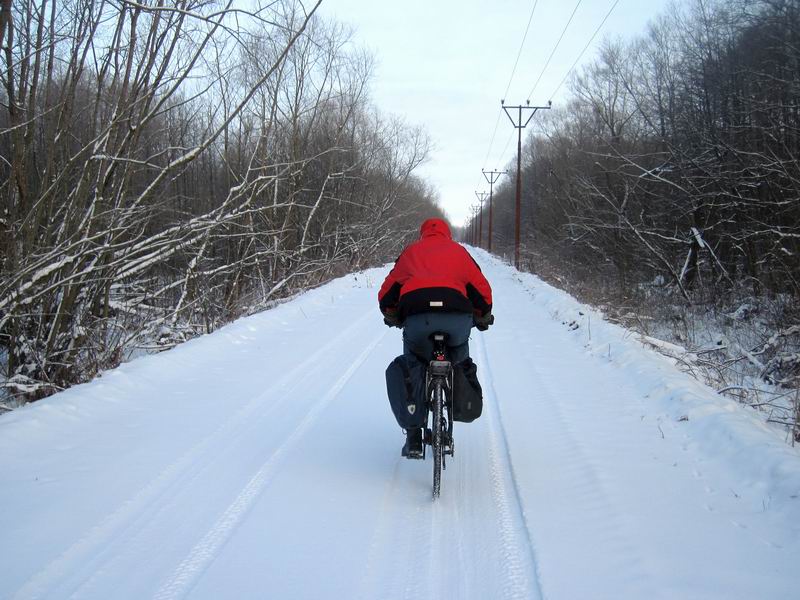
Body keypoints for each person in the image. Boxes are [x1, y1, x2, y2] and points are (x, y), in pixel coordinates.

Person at [378, 218, 494, 458]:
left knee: (413, 360)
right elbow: (482, 290)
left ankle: (413, 439)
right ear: (447, 234)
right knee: (460, 356)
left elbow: (387, 292)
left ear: (422, 234)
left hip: (419, 321)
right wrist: (482, 316)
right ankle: (460, 394)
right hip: (456, 321)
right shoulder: (460, 253)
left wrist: (392, 314)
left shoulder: (411, 252)